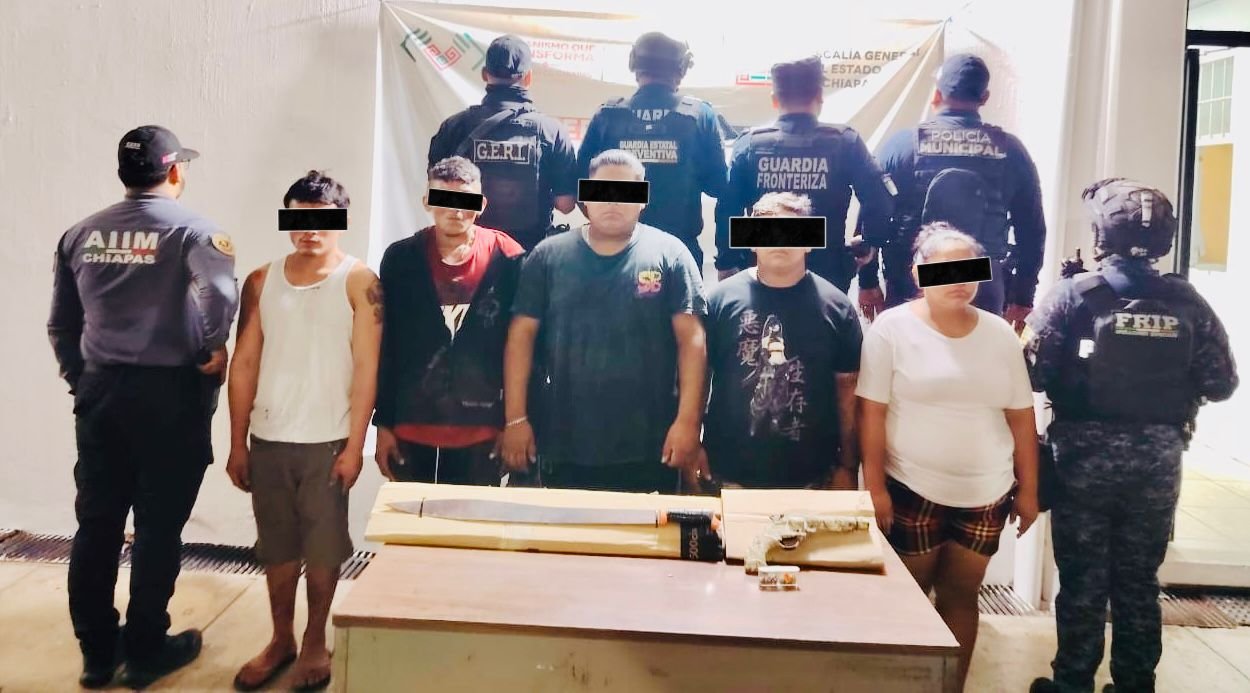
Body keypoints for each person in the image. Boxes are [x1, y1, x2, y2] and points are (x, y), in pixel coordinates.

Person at [1025, 180, 1238, 693]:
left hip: (1082, 462)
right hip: (1157, 464)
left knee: (1082, 579)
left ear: (1102, 234)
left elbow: (1032, 372)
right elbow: (1222, 383)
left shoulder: (1075, 295)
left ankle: (1072, 682)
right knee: (1139, 581)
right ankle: (1136, 684)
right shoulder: (1187, 300)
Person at [47, 125, 238, 689]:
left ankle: (97, 654)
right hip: (169, 396)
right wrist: (213, 347)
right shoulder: (195, 232)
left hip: (101, 394)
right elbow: (218, 294)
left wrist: (81, 378)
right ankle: (147, 648)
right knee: (158, 527)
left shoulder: (80, 234)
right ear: (174, 171)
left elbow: (61, 323)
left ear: (123, 174)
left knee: (97, 523)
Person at [856, 223, 1039, 690]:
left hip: (987, 493)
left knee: (961, 595)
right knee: (909, 597)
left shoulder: (1000, 335)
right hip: (911, 487)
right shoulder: (891, 329)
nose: (959, 280)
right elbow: (871, 413)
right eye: (946, 270)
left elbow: (1022, 419)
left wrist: (1029, 492)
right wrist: (874, 487)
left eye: (968, 269)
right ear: (919, 274)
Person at [226, 171, 381, 692]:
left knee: (323, 547)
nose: (310, 229)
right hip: (269, 437)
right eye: (299, 218)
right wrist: (237, 442)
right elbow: (244, 363)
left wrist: (356, 445)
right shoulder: (261, 280)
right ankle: (281, 639)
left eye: (322, 219)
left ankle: (316, 640)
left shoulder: (359, 281)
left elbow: (367, 368)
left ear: (341, 220)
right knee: (276, 545)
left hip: (328, 439)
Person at [499, 149, 707, 492]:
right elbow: (521, 338)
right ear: (584, 198)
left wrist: (688, 423)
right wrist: (515, 419)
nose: (613, 201)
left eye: (625, 191)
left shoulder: (671, 254)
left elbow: (693, 343)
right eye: (602, 190)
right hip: (564, 441)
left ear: (643, 198)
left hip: (651, 443)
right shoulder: (548, 256)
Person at [859, 53, 1046, 328]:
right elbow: (1032, 230)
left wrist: (867, 282)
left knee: (911, 352)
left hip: (913, 280)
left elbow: (871, 216)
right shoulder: (1011, 150)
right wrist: (1023, 296)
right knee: (976, 354)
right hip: (982, 284)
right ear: (985, 98)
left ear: (937, 94)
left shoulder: (902, 145)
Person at [372, 157, 525, 486]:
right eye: (444, 199)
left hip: (483, 424)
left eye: (465, 201)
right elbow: (388, 345)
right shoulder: (400, 259)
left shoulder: (509, 257)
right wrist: (383, 422)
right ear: (427, 201)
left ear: (481, 204)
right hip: (411, 422)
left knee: (472, 519)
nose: (455, 211)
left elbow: (522, 347)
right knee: (410, 516)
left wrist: (514, 421)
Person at [703, 192, 863, 490]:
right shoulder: (719, 301)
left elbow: (848, 392)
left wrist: (848, 464)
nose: (780, 240)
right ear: (752, 240)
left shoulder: (837, 308)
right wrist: (691, 441)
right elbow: (699, 378)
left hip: (812, 476)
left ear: (809, 241)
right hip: (728, 472)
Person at [714, 56, 895, 293]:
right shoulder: (845, 142)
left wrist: (727, 262)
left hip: (765, 269)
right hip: (827, 272)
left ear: (774, 99)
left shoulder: (749, 144)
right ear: (819, 96)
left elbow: (728, 209)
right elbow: (879, 200)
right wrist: (868, 243)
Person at [576, 32, 727, 271]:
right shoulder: (700, 115)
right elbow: (718, 186)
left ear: (634, 65)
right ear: (681, 69)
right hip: (679, 251)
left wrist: (609, 225)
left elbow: (579, 186)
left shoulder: (608, 115)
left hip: (616, 251)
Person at [427, 35, 578, 251]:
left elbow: (436, 195)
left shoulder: (454, 127)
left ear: (484, 74)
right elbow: (566, 205)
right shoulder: (551, 131)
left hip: (468, 253)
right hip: (528, 255)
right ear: (528, 78)